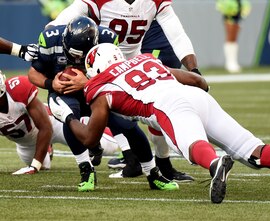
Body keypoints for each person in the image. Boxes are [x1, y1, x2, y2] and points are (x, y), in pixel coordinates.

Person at [49, 43, 270, 203]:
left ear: (93, 68)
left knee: (192, 147)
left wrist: (67, 116)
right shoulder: (147, 61)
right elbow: (199, 81)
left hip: (169, 107)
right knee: (255, 151)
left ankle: (215, 165)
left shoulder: (99, 86)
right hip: (196, 97)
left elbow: (89, 138)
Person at [47, 0, 200, 182]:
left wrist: (194, 70)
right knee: (112, 116)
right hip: (99, 70)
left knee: (160, 110)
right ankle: (124, 157)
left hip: (133, 67)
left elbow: (177, 36)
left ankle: (161, 163)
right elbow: (56, 25)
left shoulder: (153, 3)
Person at [28, 16, 177, 192]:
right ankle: (86, 170)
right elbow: (33, 73)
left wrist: (87, 83)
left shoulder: (108, 39)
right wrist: (50, 83)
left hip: (99, 91)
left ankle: (153, 174)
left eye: (81, 56)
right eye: (72, 55)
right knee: (69, 116)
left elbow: (117, 75)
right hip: (65, 92)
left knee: (128, 125)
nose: (76, 61)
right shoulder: (50, 38)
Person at [216, 0, 251, 73]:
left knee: (234, 38)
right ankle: (230, 63)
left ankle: (233, 62)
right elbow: (220, 4)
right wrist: (227, 9)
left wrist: (244, 10)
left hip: (237, 12)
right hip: (230, 13)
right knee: (230, 37)